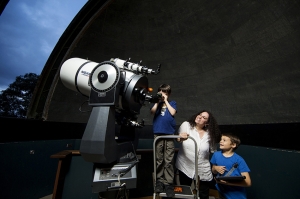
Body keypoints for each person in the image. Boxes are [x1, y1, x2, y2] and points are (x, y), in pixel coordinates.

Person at [175, 110, 221, 199]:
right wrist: (180, 138)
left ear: (207, 123)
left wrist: (215, 168)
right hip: (185, 165)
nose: (200, 117)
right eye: (200, 115)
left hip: (203, 167)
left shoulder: (210, 134)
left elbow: (213, 151)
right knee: (185, 192)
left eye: (204, 117)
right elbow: (178, 139)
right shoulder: (186, 125)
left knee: (204, 194)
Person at [150, 83, 177, 197]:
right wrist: (157, 101)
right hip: (158, 135)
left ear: (168, 94)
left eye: (165, 92)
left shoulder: (172, 103)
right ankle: (159, 181)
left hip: (169, 135)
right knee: (159, 159)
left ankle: (169, 183)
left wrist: (165, 101)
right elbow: (152, 112)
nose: (162, 94)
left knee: (169, 160)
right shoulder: (156, 103)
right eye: (161, 91)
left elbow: (173, 112)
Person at [210, 133, 251, 199]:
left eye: (224, 140)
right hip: (221, 192)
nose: (221, 141)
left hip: (236, 195)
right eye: (221, 139)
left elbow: (248, 183)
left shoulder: (239, 160)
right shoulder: (216, 155)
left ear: (233, 145)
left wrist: (227, 183)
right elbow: (213, 171)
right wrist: (215, 168)